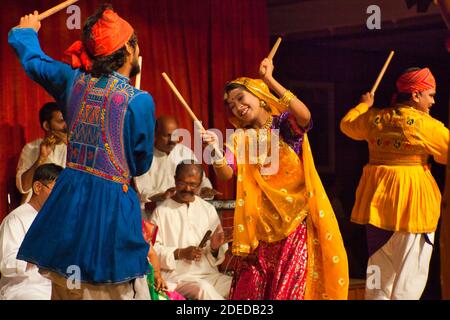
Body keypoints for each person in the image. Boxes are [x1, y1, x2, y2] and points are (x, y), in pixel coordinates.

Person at [8, 4, 155, 299]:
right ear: (128, 47)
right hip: (110, 207)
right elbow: (139, 164)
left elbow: (35, 62)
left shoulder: (72, 81)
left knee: (66, 290)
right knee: (106, 291)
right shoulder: (138, 100)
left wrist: (25, 32)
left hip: (68, 202)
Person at [201, 58, 348, 299]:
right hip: (259, 232)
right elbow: (227, 172)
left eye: (241, 98)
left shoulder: (285, 126)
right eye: (231, 104)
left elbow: (305, 116)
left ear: (259, 96)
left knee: (288, 294)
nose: (237, 107)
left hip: (295, 224)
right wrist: (215, 150)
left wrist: (270, 80)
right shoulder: (239, 138)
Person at [340, 67, 448, 300]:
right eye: (430, 94)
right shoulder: (424, 125)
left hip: (378, 209)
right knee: (410, 278)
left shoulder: (375, 118)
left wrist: (364, 105)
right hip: (412, 206)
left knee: (379, 276)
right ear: (416, 94)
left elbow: (347, 124)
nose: (433, 101)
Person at [151, 161, 232, 300]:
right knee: (203, 290)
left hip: (210, 275)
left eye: (193, 184)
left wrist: (214, 248)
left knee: (237, 285)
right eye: (183, 183)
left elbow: (218, 255)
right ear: (175, 179)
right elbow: (152, 250)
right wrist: (180, 253)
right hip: (178, 278)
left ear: (200, 184)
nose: (187, 188)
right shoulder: (161, 211)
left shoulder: (208, 209)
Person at [0, 164, 63, 300]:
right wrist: (37, 254)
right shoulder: (16, 219)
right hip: (24, 289)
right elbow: (7, 264)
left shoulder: (58, 221)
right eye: (56, 191)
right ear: (38, 188)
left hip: (55, 288)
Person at [134, 115, 218, 216]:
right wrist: (163, 196)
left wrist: (204, 189)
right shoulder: (144, 157)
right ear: (155, 134)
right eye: (167, 135)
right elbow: (143, 191)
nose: (172, 140)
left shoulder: (185, 152)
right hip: (154, 215)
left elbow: (202, 180)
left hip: (185, 214)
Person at [16, 102, 67, 204]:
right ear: (47, 126)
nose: (66, 125)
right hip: (34, 212)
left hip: (64, 209)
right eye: (61, 121)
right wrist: (41, 158)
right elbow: (23, 187)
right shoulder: (30, 148)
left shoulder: (74, 149)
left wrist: (71, 145)